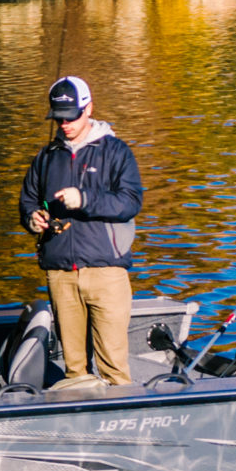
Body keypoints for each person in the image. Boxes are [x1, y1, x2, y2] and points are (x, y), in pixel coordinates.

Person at [17, 75, 144, 389]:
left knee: (114, 370)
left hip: (106, 273)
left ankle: (124, 425)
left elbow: (130, 202)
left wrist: (84, 199)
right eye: (58, 118)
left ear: (89, 108)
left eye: (71, 116)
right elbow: (29, 199)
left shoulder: (116, 152)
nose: (64, 124)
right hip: (61, 276)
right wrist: (33, 217)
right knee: (75, 372)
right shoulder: (46, 158)